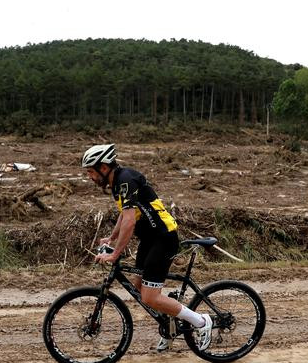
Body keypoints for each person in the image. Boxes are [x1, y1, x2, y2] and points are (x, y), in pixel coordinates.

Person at [81, 143, 212, 351]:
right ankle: (169, 325)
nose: (89, 176)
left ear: (103, 168)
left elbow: (130, 222)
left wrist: (115, 254)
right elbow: (124, 215)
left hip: (163, 238)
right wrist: (111, 239)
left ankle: (202, 322)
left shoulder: (125, 180)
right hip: (150, 240)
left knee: (149, 296)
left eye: (90, 171)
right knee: (139, 286)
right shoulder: (117, 183)